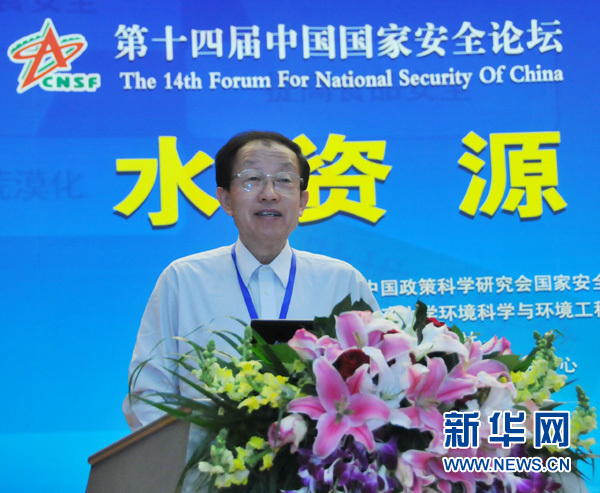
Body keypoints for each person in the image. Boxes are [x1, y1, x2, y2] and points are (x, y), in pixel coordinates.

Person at [123, 130, 379, 430]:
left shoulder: (342, 282)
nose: (269, 193)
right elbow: (149, 396)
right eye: (252, 179)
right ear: (225, 199)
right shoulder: (183, 280)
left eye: (284, 180)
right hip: (211, 458)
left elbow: (377, 377)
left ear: (302, 201)